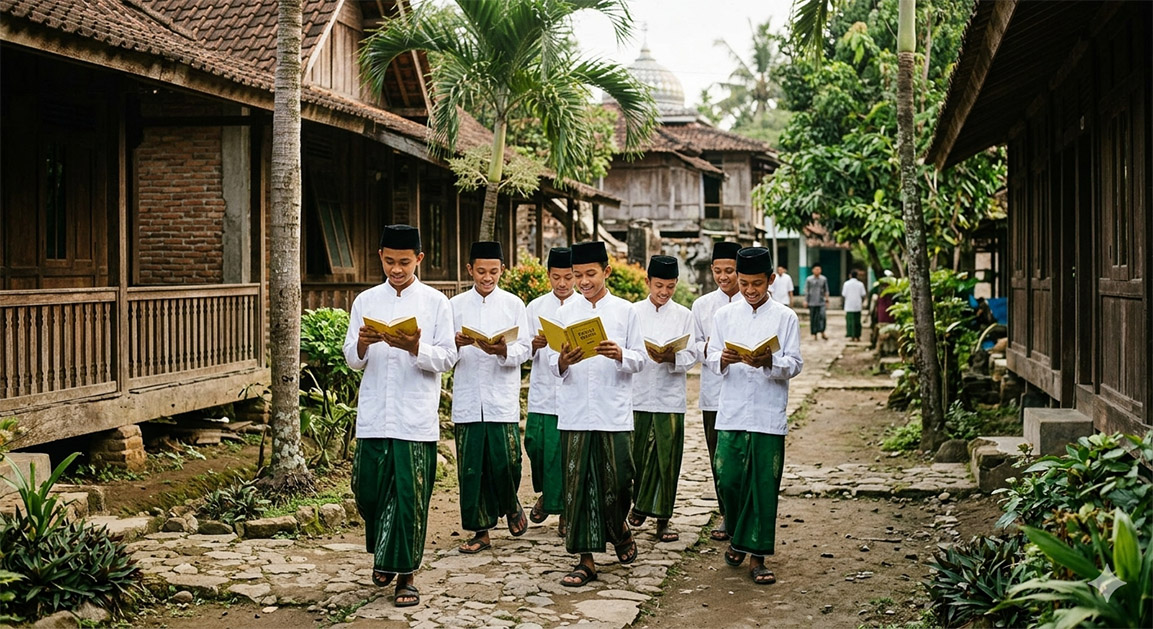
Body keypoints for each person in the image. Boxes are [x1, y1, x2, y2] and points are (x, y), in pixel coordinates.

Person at [343, 224, 456, 608]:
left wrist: (415, 346)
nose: (396, 269)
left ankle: (405, 574)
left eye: (404, 262)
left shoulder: (437, 303)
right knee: (368, 490)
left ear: (419, 260)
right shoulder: (365, 301)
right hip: (375, 414)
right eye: (389, 261)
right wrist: (361, 341)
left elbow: (448, 357)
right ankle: (386, 553)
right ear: (380, 257)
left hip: (414, 416)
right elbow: (351, 359)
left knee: (410, 497)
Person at [548, 240, 645, 587]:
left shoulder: (626, 311)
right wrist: (562, 360)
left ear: (606, 271)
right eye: (578, 275)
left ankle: (618, 526)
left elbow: (641, 358)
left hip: (613, 411)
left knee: (619, 481)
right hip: (574, 412)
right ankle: (585, 560)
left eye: (591, 274)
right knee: (578, 486)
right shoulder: (563, 314)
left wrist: (620, 354)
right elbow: (549, 361)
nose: (584, 281)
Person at [706, 246, 803, 586]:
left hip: (766, 415)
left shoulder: (785, 317)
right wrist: (724, 358)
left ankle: (757, 558)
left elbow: (795, 363)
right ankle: (737, 533)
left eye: (757, 283)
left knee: (763, 485)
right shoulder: (724, 316)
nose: (749, 290)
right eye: (744, 282)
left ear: (771, 280)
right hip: (731, 412)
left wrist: (770, 363)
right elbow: (710, 357)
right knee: (728, 478)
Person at [449, 241, 531, 554]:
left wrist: (503, 350)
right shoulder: (454, 306)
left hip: (501, 397)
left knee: (507, 461)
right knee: (471, 469)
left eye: (493, 271)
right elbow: (443, 351)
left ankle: (511, 504)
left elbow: (524, 348)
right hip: (469, 398)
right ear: (469, 269)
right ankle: (480, 532)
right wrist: (456, 343)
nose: (487, 277)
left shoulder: (514, 304)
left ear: (502, 270)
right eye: (481, 271)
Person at [629, 255, 697, 543]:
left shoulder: (684, 315)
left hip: (670, 399)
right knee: (637, 459)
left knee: (667, 460)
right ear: (647, 282)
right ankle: (641, 503)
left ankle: (662, 521)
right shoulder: (631, 312)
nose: (664, 292)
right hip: (637, 396)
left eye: (670, 287)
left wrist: (672, 356)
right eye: (659, 285)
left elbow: (692, 355)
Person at [690, 241, 740, 542]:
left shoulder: (752, 302)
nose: (724, 277)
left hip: (746, 392)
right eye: (718, 271)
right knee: (717, 456)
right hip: (714, 393)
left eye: (730, 271)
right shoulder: (703, 305)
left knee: (740, 456)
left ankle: (742, 513)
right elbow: (694, 346)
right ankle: (725, 514)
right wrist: (711, 348)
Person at [524, 247, 575, 533]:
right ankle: (548, 494)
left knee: (567, 453)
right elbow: (522, 348)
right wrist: (533, 345)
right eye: (556, 277)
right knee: (537, 445)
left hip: (570, 392)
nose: (563, 284)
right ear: (548, 276)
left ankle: (565, 509)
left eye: (568, 277)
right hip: (543, 391)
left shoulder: (584, 307)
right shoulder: (535, 307)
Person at [841, 269, 868, 342]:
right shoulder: (860, 284)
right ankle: (857, 336)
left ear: (850, 275)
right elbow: (863, 294)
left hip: (849, 305)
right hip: (857, 305)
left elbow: (844, 294)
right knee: (857, 321)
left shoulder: (846, 284)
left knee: (850, 321)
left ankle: (851, 335)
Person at [804, 264, 830, 340]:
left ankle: (822, 332)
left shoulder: (823, 279)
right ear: (813, 270)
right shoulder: (809, 279)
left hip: (821, 301)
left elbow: (826, 290)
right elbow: (807, 291)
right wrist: (806, 300)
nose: (817, 271)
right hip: (812, 302)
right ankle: (814, 334)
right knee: (813, 318)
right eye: (816, 269)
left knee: (822, 317)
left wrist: (827, 300)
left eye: (819, 269)